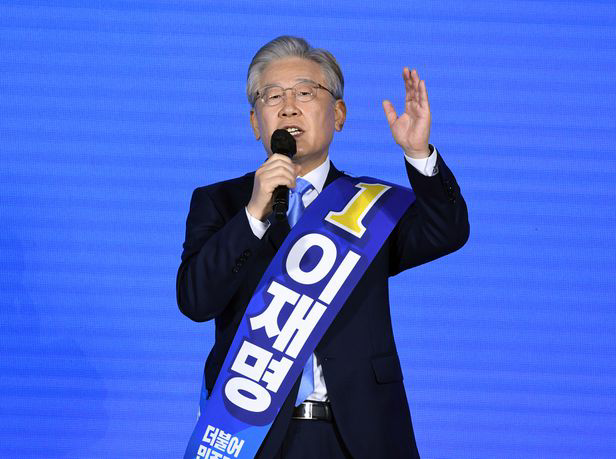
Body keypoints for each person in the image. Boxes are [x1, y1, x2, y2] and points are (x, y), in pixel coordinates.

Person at [177, 35, 469, 459]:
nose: (288, 107)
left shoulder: (372, 207)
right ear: (255, 122)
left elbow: (448, 231)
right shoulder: (220, 202)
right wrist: (254, 215)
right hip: (255, 436)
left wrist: (418, 154)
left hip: (361, 434)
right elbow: (195, 301)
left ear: (338, 114)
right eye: (272, 96)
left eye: (305, 93)